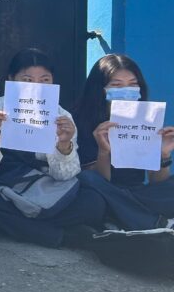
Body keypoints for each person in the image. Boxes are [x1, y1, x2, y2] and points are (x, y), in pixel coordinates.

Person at [0, 48, 106, 248]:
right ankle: (60, 236)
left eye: (45, 80)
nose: (36, 87)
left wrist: (63, 145)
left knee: (93, 203)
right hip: (5, 188)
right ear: (11, 80)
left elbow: (65, 176)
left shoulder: (62, 117)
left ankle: (8, 225)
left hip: (46, 189)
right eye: (27, 80)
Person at [72, 53, 174, 230]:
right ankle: (153, 222)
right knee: (88, 181)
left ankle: (121, 217)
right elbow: (99, 181)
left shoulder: (145, 119)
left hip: (136, 192)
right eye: (116, 85)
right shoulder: (79, 121)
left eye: (133, 84)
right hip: (102, 192)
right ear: (100, 89)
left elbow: (156, 181)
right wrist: (104, 151)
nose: (127, 91)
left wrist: (163, 154)